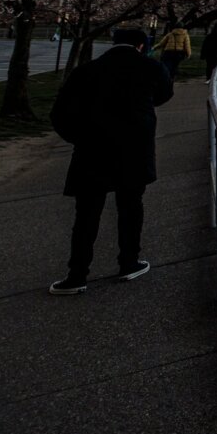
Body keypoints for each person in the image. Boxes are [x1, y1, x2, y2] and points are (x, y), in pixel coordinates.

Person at [46, 27, 174, 294]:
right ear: (141, 45)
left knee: (86, 215)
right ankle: (128, 262)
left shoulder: (86, 71)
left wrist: (79, 137)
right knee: (131, 207)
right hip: (134, 151)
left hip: (92, 150)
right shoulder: (152, 68)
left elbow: (59, 114)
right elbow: (164, 95)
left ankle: (77, 275)